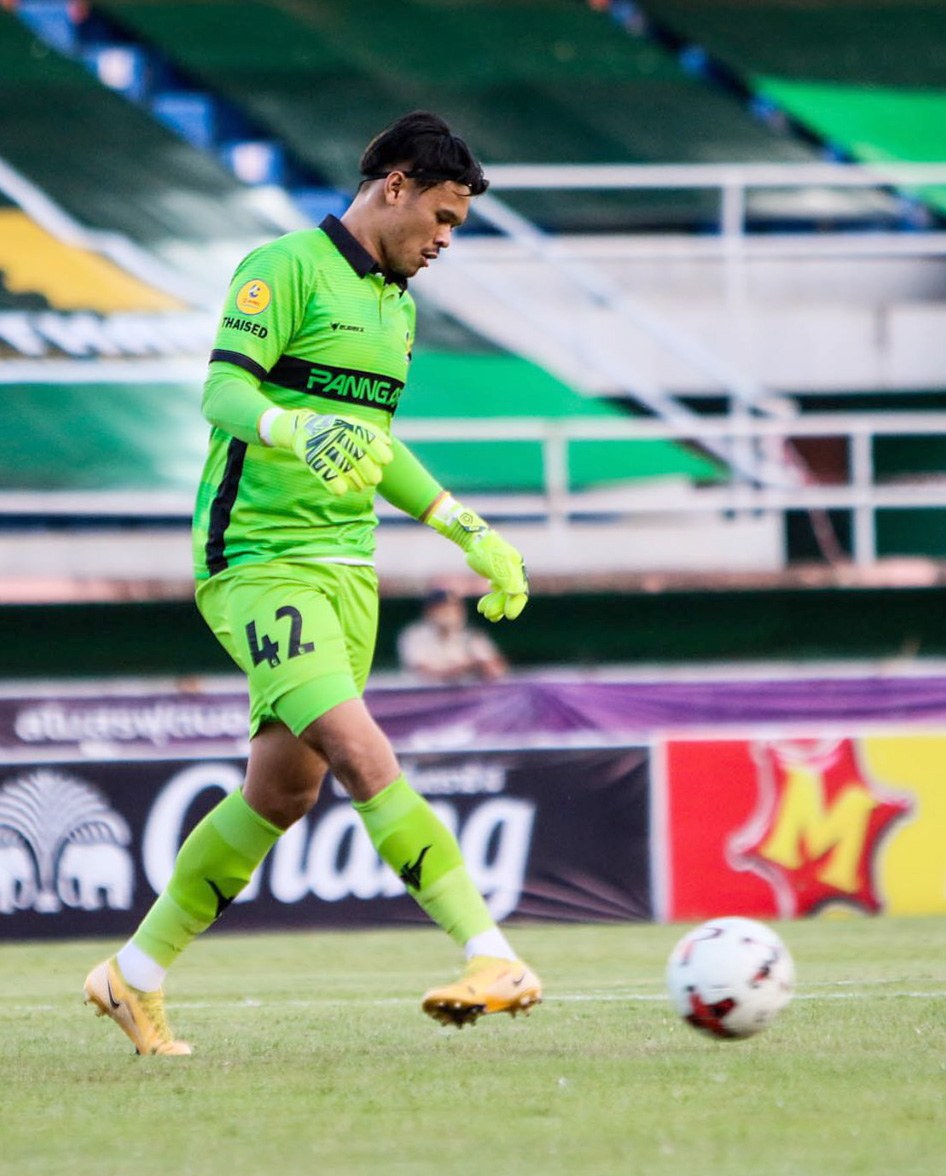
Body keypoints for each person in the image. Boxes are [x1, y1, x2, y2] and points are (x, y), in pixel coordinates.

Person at [83, 111, 540, 1056]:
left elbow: (375, 444)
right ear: (395, 185)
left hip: (349, 569)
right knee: (363, 751)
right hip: (258, 561)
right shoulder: (283, 266)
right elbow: (221, 392)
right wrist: (295, 427)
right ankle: (490, 953)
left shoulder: (397, 309)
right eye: (443, 217)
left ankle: (133, 974)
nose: (445, 240)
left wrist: (466, 527)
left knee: (283, 794)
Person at [397, 586, 508, 683]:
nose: (450, 613)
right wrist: (465, 667)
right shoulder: (415, 635)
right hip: (426, 696)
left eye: (454, 608)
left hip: (465, 697)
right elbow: (424, 671)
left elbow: (497, 670)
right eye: (444, 608)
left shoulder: (472, 636)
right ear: (429, 611)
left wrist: (485, 666)